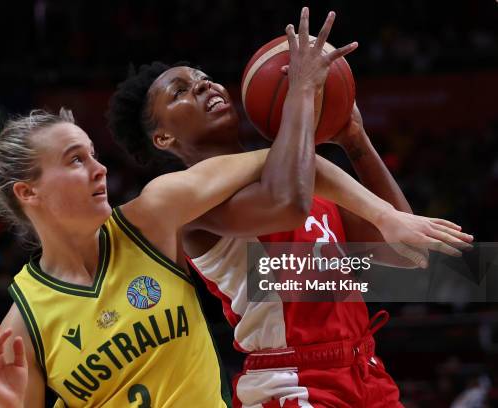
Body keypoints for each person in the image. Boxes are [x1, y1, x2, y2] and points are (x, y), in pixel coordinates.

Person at [107, 8, 473, 407]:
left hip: (365, 370)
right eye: (180, 91)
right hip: (293, 382)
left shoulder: (300, 172)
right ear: (162, 137)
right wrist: (300, 89)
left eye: (203, 78)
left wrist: (355, 140)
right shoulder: (189, 202)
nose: (203, 86)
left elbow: (407, 251)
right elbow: (288, 203)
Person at [0, 108, 275, 407]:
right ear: (27, 192)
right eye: (76, 159)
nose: (100, 168)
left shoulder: (151, 219)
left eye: (93, 154)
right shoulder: (21, 326)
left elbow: (269, 160)